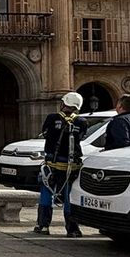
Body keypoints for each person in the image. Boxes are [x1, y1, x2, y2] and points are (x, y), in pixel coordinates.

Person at [35, 91, 85, 237]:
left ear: (63, 103)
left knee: (47, 194)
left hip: (52, 163)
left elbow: (44, 132)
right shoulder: (81, 122)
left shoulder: (52, 118)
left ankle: (43, 226)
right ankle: (72, 229)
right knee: (69, 196)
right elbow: (81, 137)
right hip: (71, 165)